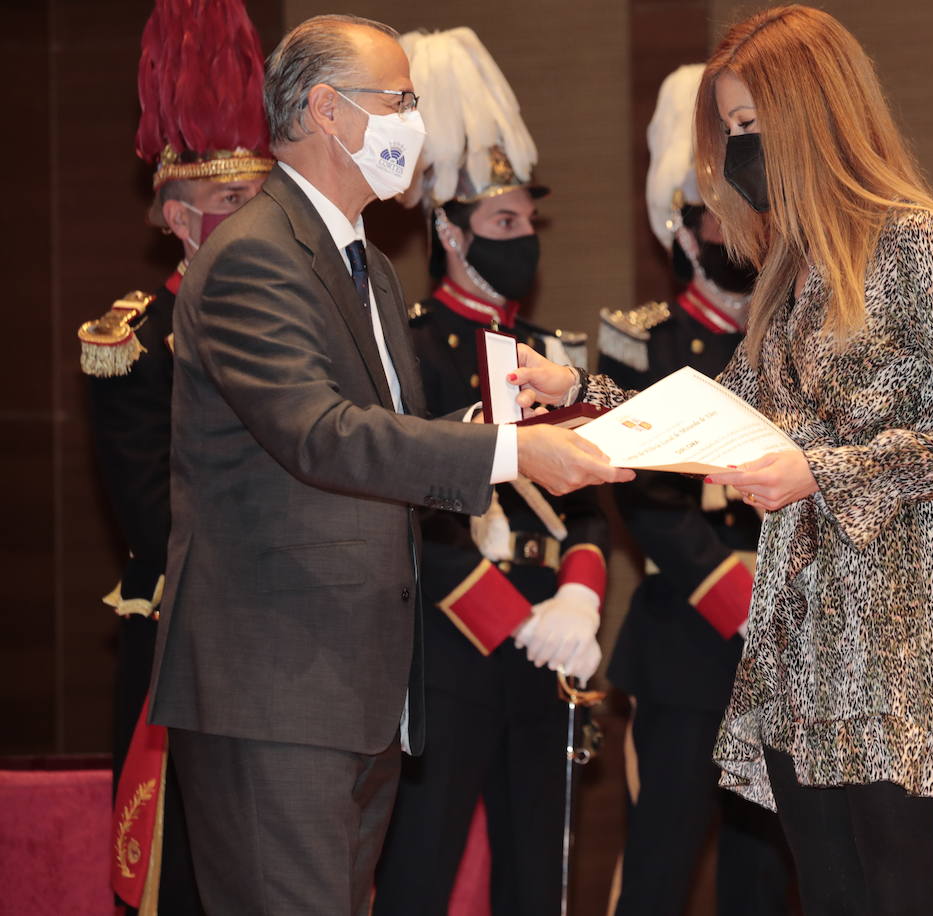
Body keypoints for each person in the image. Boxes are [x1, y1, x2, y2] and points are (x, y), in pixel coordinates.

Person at [512, 7, 933, 914]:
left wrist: (821, 471)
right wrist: (579, 391)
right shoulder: (789, 265)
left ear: (813, 113)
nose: (740, 149)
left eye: (751, 126)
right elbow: (719, 418)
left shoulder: (909, 241)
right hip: (791, 632)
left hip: (886, 638)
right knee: (824, 889)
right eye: (731, 130)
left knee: (892, 891)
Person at [145, 14, 630, 915]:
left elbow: (382, 434)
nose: (413, 121)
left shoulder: (361, 260)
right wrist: (506, 450)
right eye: (399, 101)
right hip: (277, 692)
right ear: (328, 112)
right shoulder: (253, 255)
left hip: (356, 691)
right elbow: (320, 434)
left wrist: (493, 416)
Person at [372, 28, 609, 915]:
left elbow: (588, 491)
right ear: (448, 230)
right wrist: (512, 617)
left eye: (527, 223)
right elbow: (407, 507)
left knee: (537, 883)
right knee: (420, 875)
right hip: (454, 650)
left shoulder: (550, 353)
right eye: (503, 224)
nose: (523, 239)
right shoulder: (407, 346)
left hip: (553, 647)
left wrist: (580, 595)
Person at [75, 0, 273, 910]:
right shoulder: (131, 340)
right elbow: (157, 509)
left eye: (258, 200)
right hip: (183, 642)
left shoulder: (293, 336)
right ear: (177, 214)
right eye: (231, 202)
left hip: (288, 648)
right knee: (182, 879)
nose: (251, 219)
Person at [599, 63, 791, 916]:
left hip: (783, 646)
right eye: (716, 219)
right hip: (687, 638)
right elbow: (644, 495)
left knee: (764, 875)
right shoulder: (639, 344)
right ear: (683, 231)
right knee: (659, 868)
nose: (734, 236)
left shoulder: (793, 336)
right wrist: (730, 587)